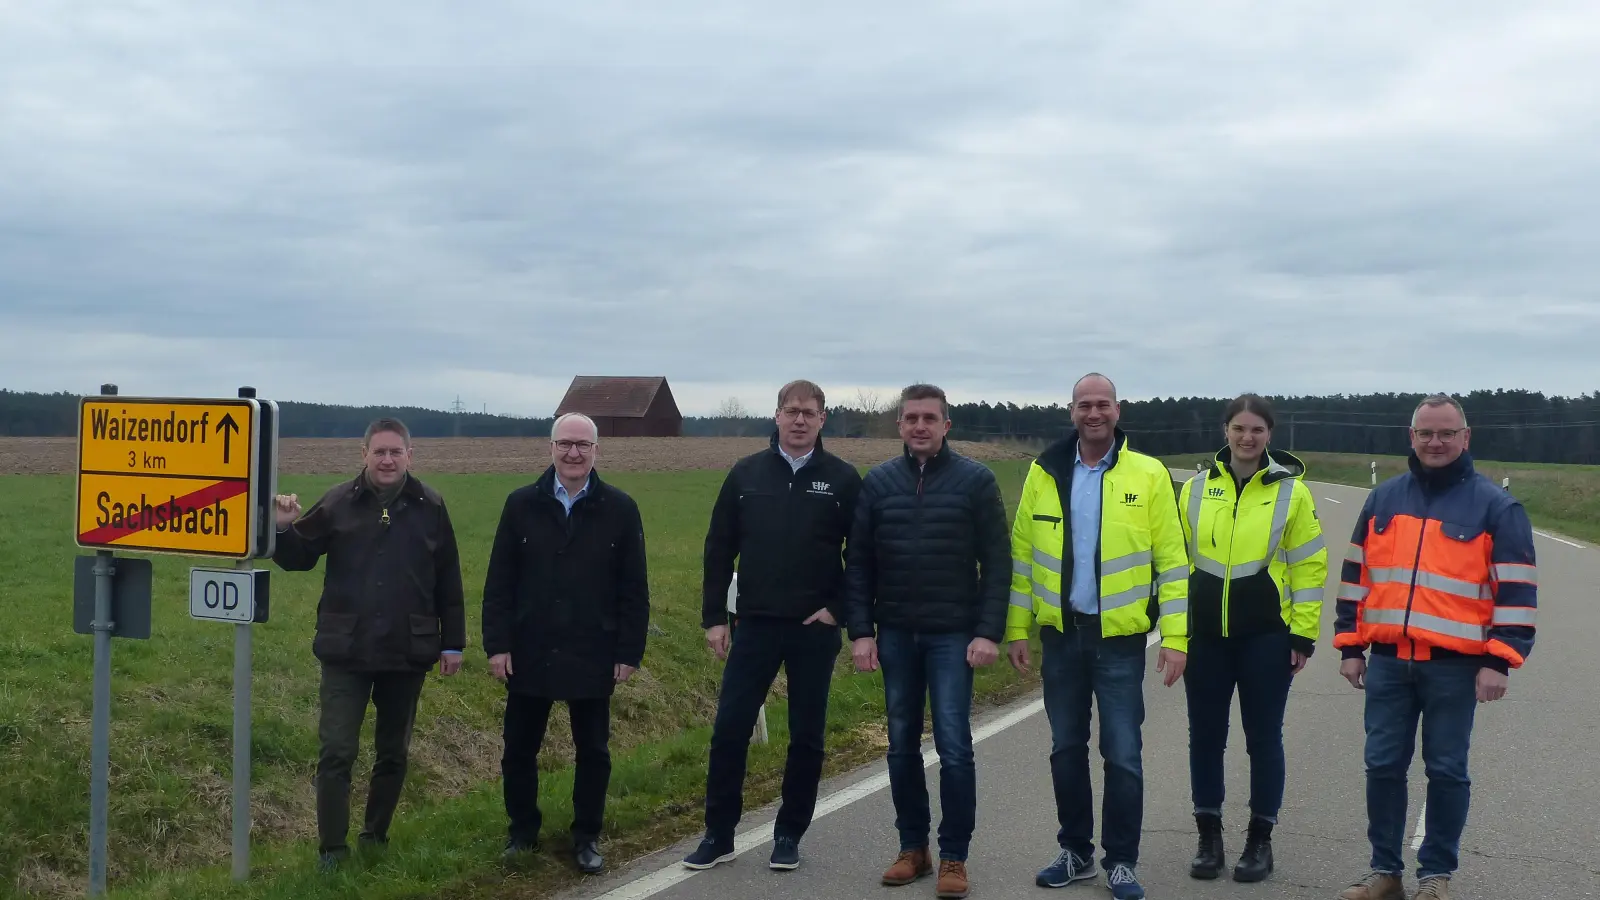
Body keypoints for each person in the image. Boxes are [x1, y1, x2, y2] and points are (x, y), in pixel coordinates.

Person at [1333, 394, 1537, 900]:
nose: (1435, 442)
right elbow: (1357, 577)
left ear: (1466, 438)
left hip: (1456, 667)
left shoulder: (1496, 506)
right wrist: (1350, 646)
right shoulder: (1383, 499)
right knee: (1382, 767)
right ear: (1412, 437)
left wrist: (1499, 659)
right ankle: (1385, 873)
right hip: (1387, 663)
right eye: (1426, 433)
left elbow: (1516, 590)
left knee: (1446, 771)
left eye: (1446, 433)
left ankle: (1435, 877)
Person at [1004, 373, 1188, 900]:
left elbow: (1173, 565)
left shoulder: (1148, 475)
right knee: (1066, 748)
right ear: (1071, 412)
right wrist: (1018, 628)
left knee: (1123, 753)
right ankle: (1076, 852)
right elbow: (1024, 560)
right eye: (1084, 405)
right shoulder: (1045, 472)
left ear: (1117, 410)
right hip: (1061, 636)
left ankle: (1122, 862)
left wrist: (1176, 638)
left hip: (1120, 641)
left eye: (1102, 404)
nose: (1093, 413)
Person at [681, 379, 864, 872]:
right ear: (777, 415)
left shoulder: (843, 480)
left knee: (807, 737)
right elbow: (718, 549)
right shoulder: (745, 475)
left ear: (823, 419)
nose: (799, 419)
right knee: (729, 731)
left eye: (809, 412)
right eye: (791, 411)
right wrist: (715, 617)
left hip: (813, 629)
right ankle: (718, 834)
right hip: (754, 625)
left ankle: (788, 834)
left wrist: (839, 611)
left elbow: (865, 555)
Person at [270, 417, 466, 873]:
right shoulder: (339, 501)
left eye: (396, 451)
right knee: (336, 751)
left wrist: (452, 644)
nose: (387, 459)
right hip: (346, 651)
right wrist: (283, 529)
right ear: (364, 455)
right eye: (379, 451)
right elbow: (299, 559)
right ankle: (332, 851)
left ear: (409, 456)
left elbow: (448, 581)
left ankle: (374, 836)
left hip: (406, 650)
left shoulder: (430, 506)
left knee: (393, 752)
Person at [843, 383, 1011, 900]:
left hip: (952, 637)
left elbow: (998, 562)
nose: (919, 425)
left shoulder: (975, 481)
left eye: (929, 418)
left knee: (955, 748)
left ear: (946, 426)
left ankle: (954, 857)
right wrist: (861, 633)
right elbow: (860, 563)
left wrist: (987, 631)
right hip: (894, 633)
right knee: (900, 747)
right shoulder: (879, 483)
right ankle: (912, 849)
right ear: (899, 425)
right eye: (911, 417)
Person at [481, 412, 650, 876]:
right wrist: (497, 644)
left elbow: (634, 588)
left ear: (597, 451)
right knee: (518, 748)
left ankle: (587, 836)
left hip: (593, 647)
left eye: (582, 445)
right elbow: (499, 582)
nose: (573, 453)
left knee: (593, 750)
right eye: (564, 444)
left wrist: (628, 652)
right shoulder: (521, 505)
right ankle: (522, 833)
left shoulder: (620, 508)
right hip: (529, 647)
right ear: (550, 447)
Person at [1177, 393, 1327, 883]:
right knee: (1205, 737)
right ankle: (1209, 836)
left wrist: (1302, 635)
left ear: (1269, 436)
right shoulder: (1196, 489)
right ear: (1226, 431)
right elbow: (1175, 562)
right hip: (1205, 638)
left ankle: (1260, 840)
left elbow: (1308, 566)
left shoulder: (1293, 493)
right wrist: (1175, 629)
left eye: (1257, 430)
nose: (1247, 437)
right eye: (1239, 428)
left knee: (1263, 740)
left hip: (1266, 637)